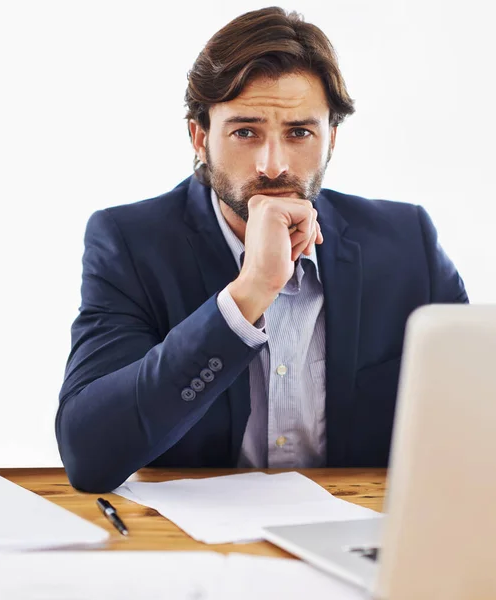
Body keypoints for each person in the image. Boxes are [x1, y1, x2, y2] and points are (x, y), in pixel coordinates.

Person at [56, 7, 468, 493]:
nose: (273, 166)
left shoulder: (406, 243)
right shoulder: (130, 242)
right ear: (200, 136)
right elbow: (88, 454)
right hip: (197, 545)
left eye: (299, 133)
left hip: (359, 535)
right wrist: (247, 295)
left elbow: (478, 418)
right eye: (245, 132)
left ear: (331, 139)